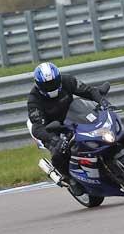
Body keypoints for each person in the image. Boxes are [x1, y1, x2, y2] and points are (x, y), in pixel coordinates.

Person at [26, 62, 111, 193]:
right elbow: (37, 127)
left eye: (53, 82)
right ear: (38, 85)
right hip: (51, 128)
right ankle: (70, 179)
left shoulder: (67, 80)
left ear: (59, 78)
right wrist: (53, 139)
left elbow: (88, 91)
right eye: (46, 85)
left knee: (99, 130)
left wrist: (102, 101)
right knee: (58, 153)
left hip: (73, 117)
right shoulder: (34, 99)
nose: (51, 86)